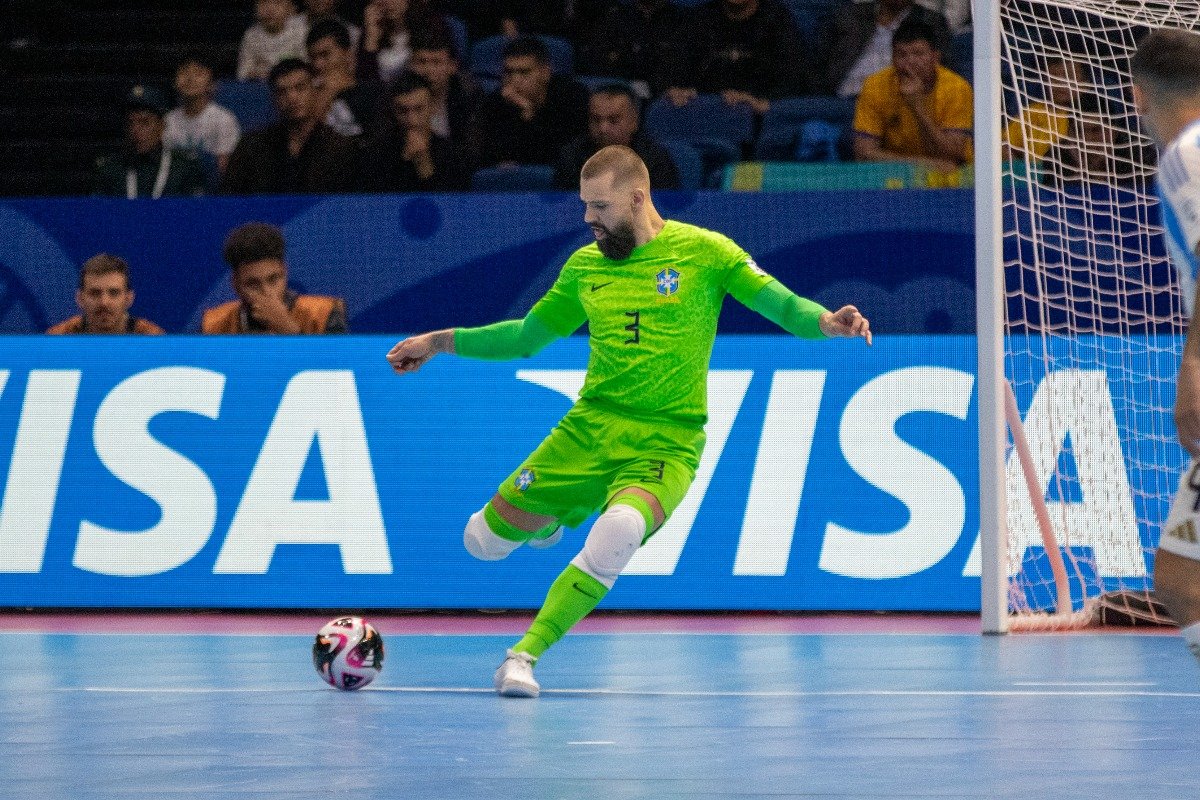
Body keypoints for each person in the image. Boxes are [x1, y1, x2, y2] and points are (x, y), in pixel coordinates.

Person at [385, 145, 871, 697]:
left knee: (618, 531)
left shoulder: (706, 253)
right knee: (482, 541)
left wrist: (828, 322)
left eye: (600, 207)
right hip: (588, 431)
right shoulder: (585, 267)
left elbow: (781, 305)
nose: (588, 218)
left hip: (667, 440)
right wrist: (437, 342)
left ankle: (522, 656)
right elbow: (525, 338)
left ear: (637, 198)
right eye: (585, 206)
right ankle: (551, 520)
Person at [1131, 28, 1200, 668]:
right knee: (1181, 578)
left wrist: (1194, 371)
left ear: (1137, 93)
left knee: (1183, 578)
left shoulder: (1188, 153)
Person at [220, 58, 360, 194]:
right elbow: (228, 199)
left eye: (300, 88)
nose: (292, 97)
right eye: (282, 92)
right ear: (274, 99)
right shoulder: (252, 146)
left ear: (314, 92)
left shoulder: (340, 147)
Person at [852, 17, 972, 172]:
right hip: (894, 173)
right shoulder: (875, 85)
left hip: (955, 179)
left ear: (935, 58)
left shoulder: (957, 88)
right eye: (901, 55)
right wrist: (923, 165)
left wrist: (917, 107)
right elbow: (863, 153)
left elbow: (953, 156)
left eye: (918, 54)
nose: (910, 62)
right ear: (893, 59)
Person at [659, 0, 810, 114]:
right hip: (706, 115)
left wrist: (761, 103)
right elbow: (674, 73)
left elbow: (794, 79)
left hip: (759, 119)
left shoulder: (778, 20)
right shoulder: (699, 20)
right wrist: (677, 91)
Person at [203, 222, 348, 334]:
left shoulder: (324, 313)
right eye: (253, 284)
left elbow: (338, 368)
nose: (267, 292)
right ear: (235, 284)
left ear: (285, 271)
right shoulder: (213, 324)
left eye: (273, 280)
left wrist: (288, 329)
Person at [472, 35, 589, 168]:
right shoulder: (495, 102)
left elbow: (561, 154)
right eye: (509, 72)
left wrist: (529, 114)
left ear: (545, 73)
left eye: (524, 72)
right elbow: (490, 155)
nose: (515, 80)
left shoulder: (572, 97)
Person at [553, 83, 679, 190]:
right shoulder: (572, 157)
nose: (603, 129)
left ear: (633, 122)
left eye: (613, 120)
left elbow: (662, 210)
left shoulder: (655, 160)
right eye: (596, 120)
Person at [359, 72, 471, 191]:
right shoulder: (376, 155)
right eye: (403, 111)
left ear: (432, 107)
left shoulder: (453, 154)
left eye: (419, 109)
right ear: (393, 111)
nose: (412, 120)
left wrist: (424, 165)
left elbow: (450, 206)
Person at [815, 0, 950, 98]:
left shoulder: (931, 22)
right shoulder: (849, 15)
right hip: (840, 101)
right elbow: (819, 65)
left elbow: (941, 73)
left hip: (897, 104)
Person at [94, 85, 208, 198]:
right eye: (130, 123)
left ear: (161, 126)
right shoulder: (110, 168)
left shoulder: (183, 167)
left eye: (145, 122)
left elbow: (195, 212)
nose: (135, 130)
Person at [47, 254, 165, 335]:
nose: (104, 302)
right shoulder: (58, 338)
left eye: (114, 293)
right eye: (94, 293)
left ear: (129, 298)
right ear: (80, 298)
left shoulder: (153, 339)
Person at [164, 54, 242, 175]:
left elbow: (225, 168)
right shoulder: (167, 120)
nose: (190, 78)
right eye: (184, 72)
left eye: (198, 73)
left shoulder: (224, 119)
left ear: (212, 85)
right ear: (175, 82)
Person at [306, 18, 381, 138]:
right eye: (313, 58)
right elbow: (303, 141)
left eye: (325, 55)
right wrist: (328, 92)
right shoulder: (308, 98)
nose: (317, 65)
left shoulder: (372, 93)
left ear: (347, 54)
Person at [1003, 57, 1085, 164]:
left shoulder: (1091, 115)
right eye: (1054, 76)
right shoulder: (1035, 112)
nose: (1060, 83)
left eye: (1068, 76)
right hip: (1039, 175)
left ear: (1084, 82)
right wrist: (1021, 167)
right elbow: (1005, 143)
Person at [237, 0, 308, 81]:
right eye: (263, 3)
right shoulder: (251, 36)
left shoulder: (300, 31)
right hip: (261, 85)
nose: (270, 9)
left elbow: (306, 66)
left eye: (277, 3)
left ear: (289, 7)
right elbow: (242, 74)